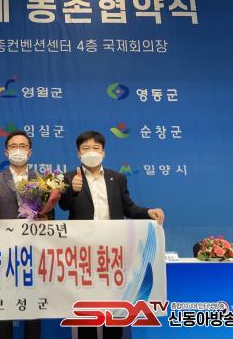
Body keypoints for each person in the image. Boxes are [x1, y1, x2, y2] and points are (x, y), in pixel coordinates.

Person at [59, 130, 165, 339]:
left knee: (113, 305)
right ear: (78, 153)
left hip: (112, 250)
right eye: (86, 148)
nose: (91, 152)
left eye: (96, 148)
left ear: (103, 152)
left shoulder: (117, 178)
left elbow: (129, 208)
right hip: (83, 250)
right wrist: (73, 190)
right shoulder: (69, 177)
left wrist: (148, 212)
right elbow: (64, 206)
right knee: (87, 305)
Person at [0, 130, 42, 339]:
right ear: (6, 151)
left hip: (33, 249)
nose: (18, 150)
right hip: (5, 249)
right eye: (13, 146)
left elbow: (48, 212)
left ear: (30, 152)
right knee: (4, 302)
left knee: (33, 304)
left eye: (23, 146)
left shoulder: (41, 179)